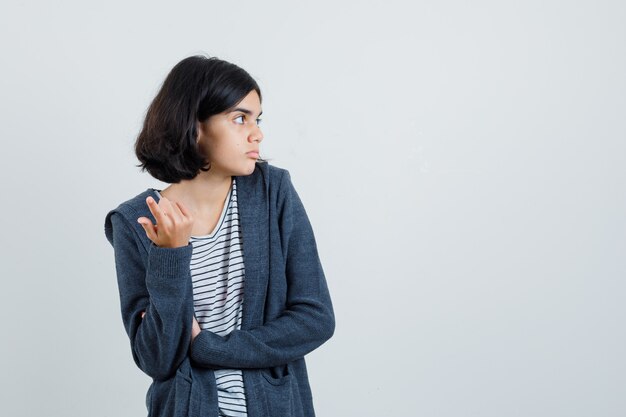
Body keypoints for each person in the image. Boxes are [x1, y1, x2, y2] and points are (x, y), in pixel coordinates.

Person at [103, 55, 335, 417]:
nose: (256, 132)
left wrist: (211, 347)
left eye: (258, 120)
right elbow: (157, 360)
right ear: (194, 126)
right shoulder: (136, 222)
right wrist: (170, 257)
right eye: (239, 118)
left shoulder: (274, 192)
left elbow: (315, 319)